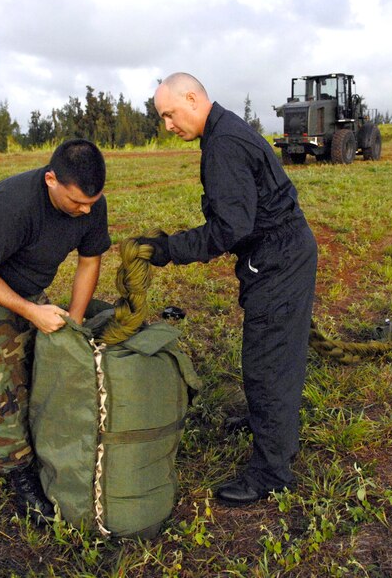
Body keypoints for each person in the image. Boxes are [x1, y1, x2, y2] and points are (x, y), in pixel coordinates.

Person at [139, 73, 318, 506]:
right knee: (276, 354)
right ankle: (268, 424)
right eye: (161, 118)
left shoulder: (222, 144)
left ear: (193, 98)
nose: (167, 126)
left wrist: (168, 249)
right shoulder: (224, 132)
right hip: (281, 252)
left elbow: (230, 228)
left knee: (267, 363)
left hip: (278, 258)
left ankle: (271, 472)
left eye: (169, 114)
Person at [0, 139, 111, 525]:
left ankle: (44, 446)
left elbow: (89, 262)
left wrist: (73, 320)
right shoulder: (14, 203)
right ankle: (20, 476)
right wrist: (31, 312)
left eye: (92, 202)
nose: (86, 210)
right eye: (76, 203)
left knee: (40, 368)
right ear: (51, 179)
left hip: (28, 287)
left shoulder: (90, 202)